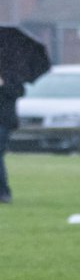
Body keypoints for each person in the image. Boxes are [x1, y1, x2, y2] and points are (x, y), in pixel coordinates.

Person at [0, 49, 22, 204]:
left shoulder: (10, 73)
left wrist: (2, 85)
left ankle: (4, 192)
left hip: (3, 121)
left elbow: (19, 91)